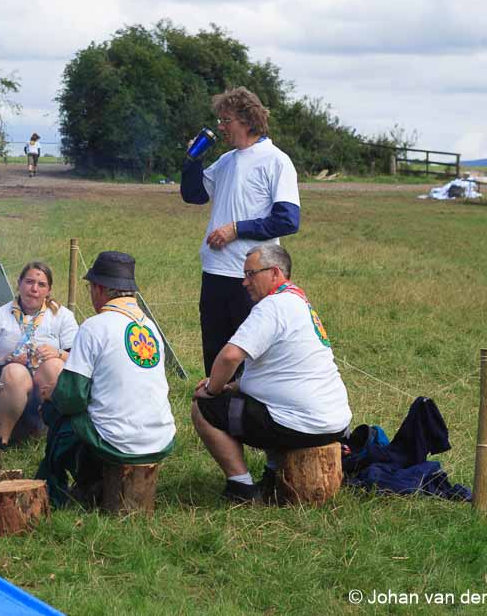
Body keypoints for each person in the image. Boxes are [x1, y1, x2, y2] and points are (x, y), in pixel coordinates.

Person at [191, 244, 352, 503]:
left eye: (250, 274)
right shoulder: (299, 302)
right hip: (335, 424)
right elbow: (276, 372)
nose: (244, 282)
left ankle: (241, 488)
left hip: (301, 425)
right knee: (260, 404)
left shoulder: (273, 306)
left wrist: (212, 389)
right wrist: (230, 386)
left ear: (275, 272)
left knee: (204, 407)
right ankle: (273, 473)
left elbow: (230, 356)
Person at [36, 251, 176, 507]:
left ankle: (61, 489)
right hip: (160, 438)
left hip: (118, 442)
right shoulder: (150, 327)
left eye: (90, 288)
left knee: (56, 414)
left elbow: (72, 398)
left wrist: (53, 394)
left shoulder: (94, 326)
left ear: (99, 289)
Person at [180, 87, 301, 378]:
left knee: (250, 363)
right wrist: (193, 161)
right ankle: (215, 403)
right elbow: (194, 195)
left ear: (247, 120)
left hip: (252, 276)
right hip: (215, 272)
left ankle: (246, 407)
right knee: (215, 356)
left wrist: (236, 229)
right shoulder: (226, 161)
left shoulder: (276, 160)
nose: (221, 127)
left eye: (226, 120)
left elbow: (288, 220)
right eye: (220, 121)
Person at [0, 261, 78, 448]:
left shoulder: (62, 316)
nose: (34, 289)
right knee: (14, 371)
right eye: (29, 282)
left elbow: (78, 359)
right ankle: (1, 440)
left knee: (54, 365)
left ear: (48, 290)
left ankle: (56, 437)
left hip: (44, 386)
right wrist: (5, 360)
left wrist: (58, 353)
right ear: (19, 283)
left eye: (41, 284)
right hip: (8, 387)